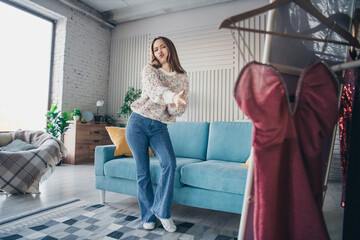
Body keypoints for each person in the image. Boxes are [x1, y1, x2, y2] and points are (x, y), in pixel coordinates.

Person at [126, 36, 189, 232]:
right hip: (137, 123)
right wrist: (171, 96)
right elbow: (155, 91)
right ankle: (147, 216)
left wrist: (177, 104)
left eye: (162, 46)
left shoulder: (182, 76)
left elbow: (174, 112)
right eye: (155, 49)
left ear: (170, 48)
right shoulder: (149, 70)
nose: (159, 51)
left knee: (169, 163)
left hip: (159, 126)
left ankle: (162, 211)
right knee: (143, 173)